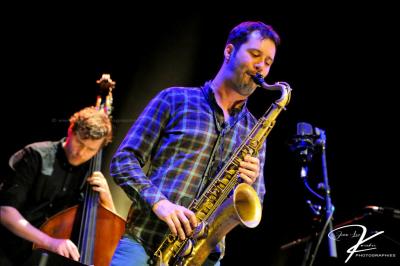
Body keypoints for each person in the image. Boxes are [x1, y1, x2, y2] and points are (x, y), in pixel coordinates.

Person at [110, 21, 281, 265]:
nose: (261, 67)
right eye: (255, 55)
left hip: (201, 257)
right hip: (145, 243)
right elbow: (123, 161)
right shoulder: (174, 99)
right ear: (229, 51)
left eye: (268, 62)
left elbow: (255, 205)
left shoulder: (255, 131)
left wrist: (250, 184)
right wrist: (160, 203)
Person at [0, 106, 115, 266]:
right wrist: (50, 242)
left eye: (90, 149)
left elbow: (110, 229)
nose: (81, 152)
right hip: (7, 251)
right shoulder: (35, 155)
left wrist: (107, 198)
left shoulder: (89, 174)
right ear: (70, 130)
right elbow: (5, 212)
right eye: (79, 142)